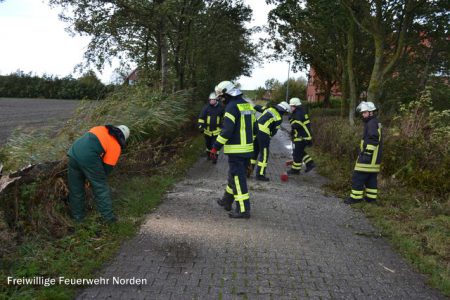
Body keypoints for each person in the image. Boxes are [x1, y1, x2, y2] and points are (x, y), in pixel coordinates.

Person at [210, 81, 256, 219]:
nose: (220, 99)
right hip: (247, 149)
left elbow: (227, 131)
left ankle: (243, 210)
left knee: (238, 179)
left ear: (227, 93)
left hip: (237, 150)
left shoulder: (231, 107)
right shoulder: (246, 104)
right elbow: (255, 127)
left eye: (221, 96)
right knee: (233, 176)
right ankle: (227, 201)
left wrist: (215, 147)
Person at [67, 124, 130, 223]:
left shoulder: (100, 128)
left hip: (73, 153)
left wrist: (89, 175)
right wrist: (93, 178)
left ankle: (77, 218)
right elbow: (106, 170)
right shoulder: (116, 146)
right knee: (101, 187)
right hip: (88, 157)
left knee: (76, 189)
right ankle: (108, 218)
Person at [345, 101, 382, 204]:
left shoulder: (371, 123)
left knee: (358, 176)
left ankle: (355, 198)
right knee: (371, 179)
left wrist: (367, 154)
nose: (363, 114)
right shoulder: (375, 122)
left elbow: (374, 139)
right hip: (375, 160)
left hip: (368, 158)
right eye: (362, 112)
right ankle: (371, 199)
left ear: (371, 112)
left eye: (365, 112)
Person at [252, 101, 291, 181]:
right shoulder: (279, 118)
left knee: (254, 152)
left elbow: (256, 107)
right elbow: (274, 131)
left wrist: (253, 115)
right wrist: (268, 138)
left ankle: (247, 170)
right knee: (264, 154)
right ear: (283, 110)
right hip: (263, 133)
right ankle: (260, 175)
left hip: (255, 130)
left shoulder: (269, 109)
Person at [287, 97, 315, 174]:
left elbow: (297, 125)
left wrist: (291, 120)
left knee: (297, 153)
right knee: (299, 152)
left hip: (302, 137)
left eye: (291, 106)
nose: (290, 108)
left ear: (295, 106)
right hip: (302, 136)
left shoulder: (298, 113)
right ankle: (307, 165)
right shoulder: (300, 111)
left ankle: (296, 169)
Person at [197, 92, 225, 164]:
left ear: (216, 100)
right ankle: (209, 155)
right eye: (210, 100)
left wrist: (224, 126)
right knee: (208, 145)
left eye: (213, 100)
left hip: (217, 131)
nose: (211, 101)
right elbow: (201, 118)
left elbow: (225, 117)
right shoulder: (206, 108)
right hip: (207, 131)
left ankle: (215, 158)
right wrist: (200, 126)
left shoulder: (221, 108)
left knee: (215, 145)